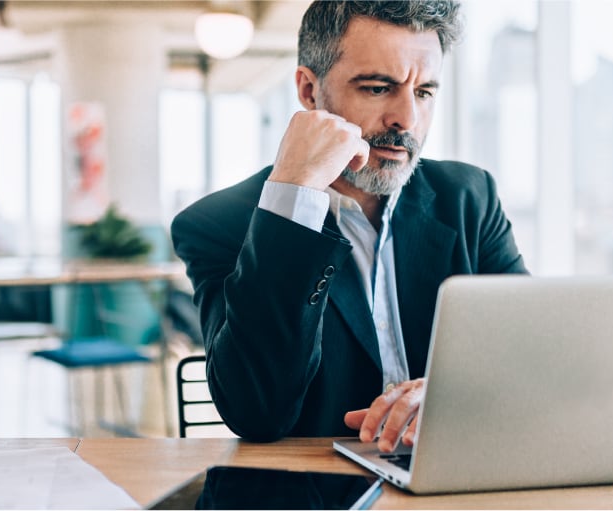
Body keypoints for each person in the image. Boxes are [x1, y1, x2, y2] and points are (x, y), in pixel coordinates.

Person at [170, 0, 528, 451]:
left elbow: (529, 356)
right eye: (379, 88)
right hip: (318, 491)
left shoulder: (469, 197)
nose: (407, 120)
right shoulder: (217, 224)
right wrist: (294, 194)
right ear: (308, 91)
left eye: (424, 92)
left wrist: (449, 394)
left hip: (454, 476)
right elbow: (256, 411)